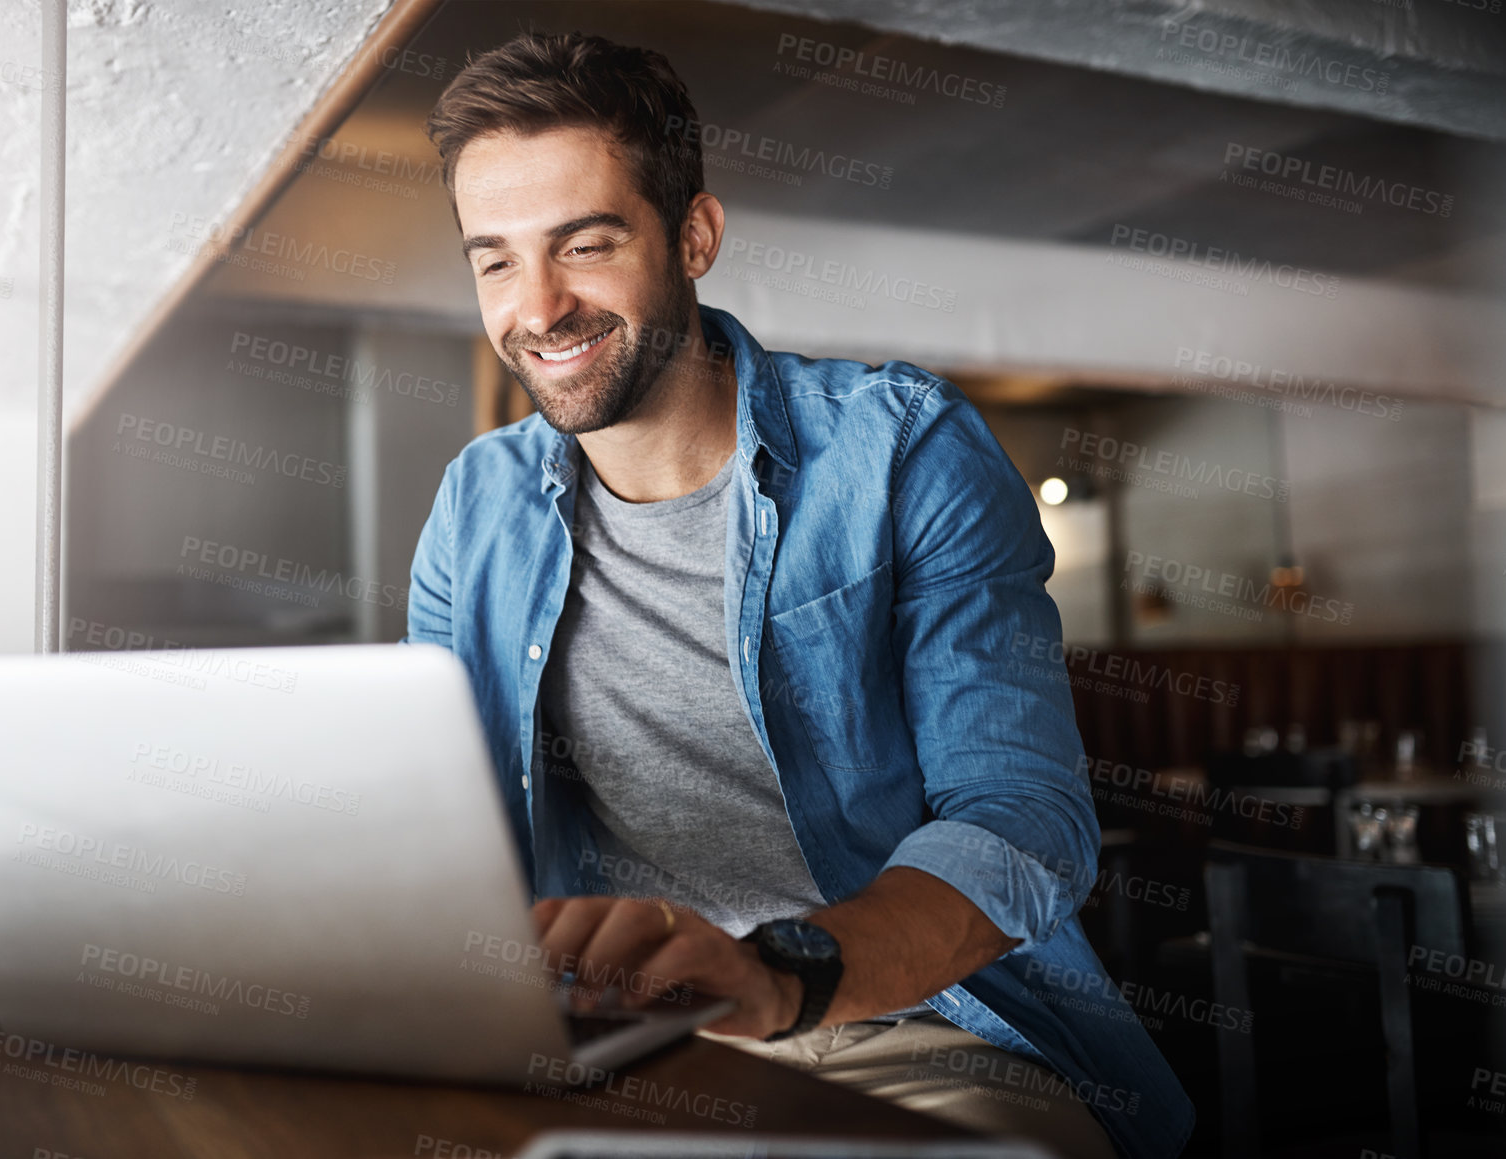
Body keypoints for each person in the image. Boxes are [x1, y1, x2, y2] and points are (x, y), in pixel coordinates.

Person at [410, 31, 1192, 1159]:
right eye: (494, 259)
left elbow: (1023, 819)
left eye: (583, 244)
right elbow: (446, 831)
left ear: (693, 235)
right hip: (614, 1051)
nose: (536, 307)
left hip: (920, 1040)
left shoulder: (902, 451)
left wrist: (778, 975)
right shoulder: (473, 505)